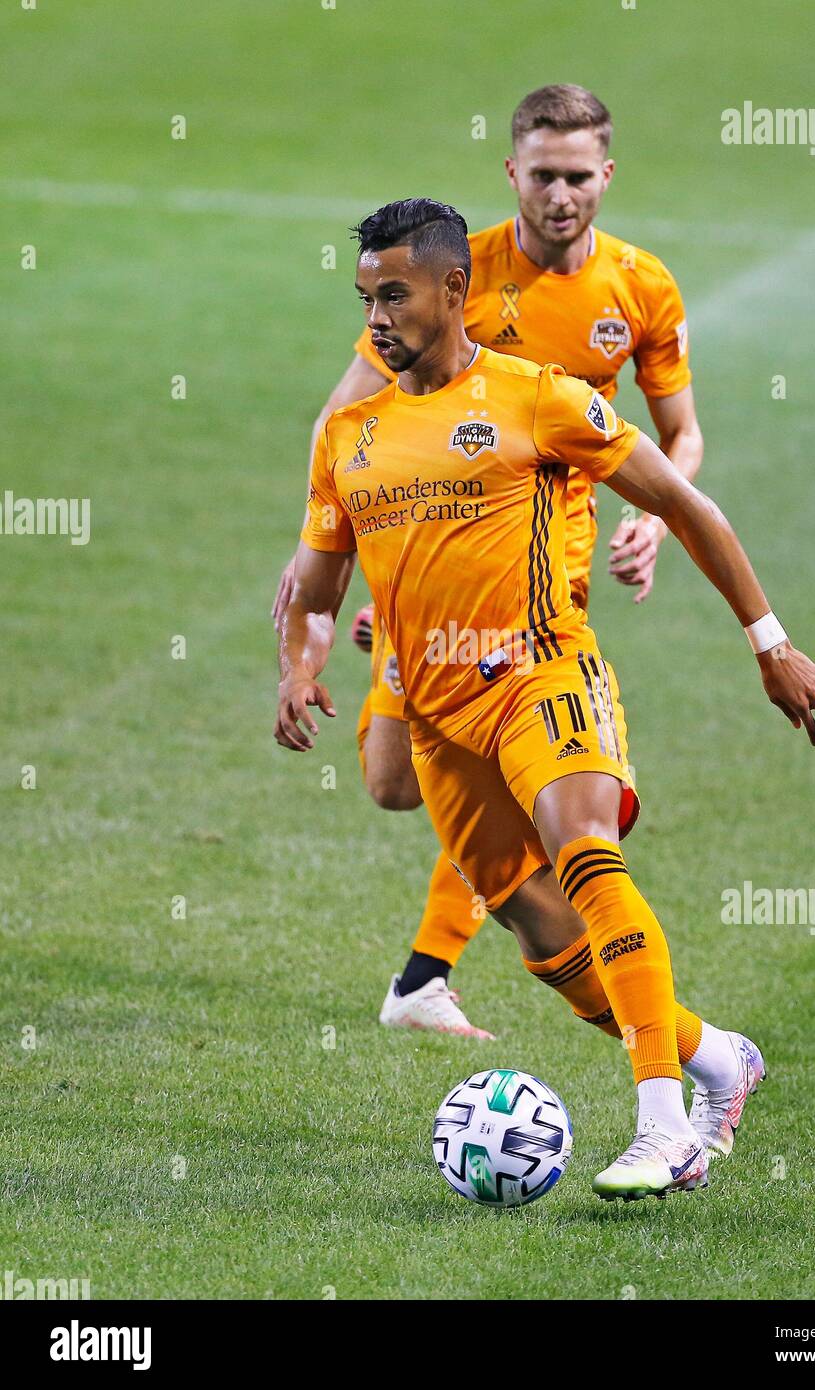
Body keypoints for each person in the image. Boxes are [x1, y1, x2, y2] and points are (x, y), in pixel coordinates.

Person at [273, 198, 815, 1198]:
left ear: (457, 290)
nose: (376, 317)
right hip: (443, 721)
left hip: (544, 671)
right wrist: (299, 666)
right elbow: (315, 590)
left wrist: (771, 642)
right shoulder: (349, 437)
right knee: (542, 933)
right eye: (364, 297)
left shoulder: (540, 398)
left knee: (585, 852)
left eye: (394, 294)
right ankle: (714, 1054)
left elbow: (683, 502)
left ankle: (664, 1124)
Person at [273, 85, 705, 1041]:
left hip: (548, 567)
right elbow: (347, 415)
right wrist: (342, 544)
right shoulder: (450, 272)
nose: (561, 196)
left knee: (527, 777)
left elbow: (679, 439)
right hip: (428, 558)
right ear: (513, 172)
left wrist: (659, 524)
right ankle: (493, 959)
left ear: (607, 176)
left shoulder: (640, 289)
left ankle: (438, 976)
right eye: (543, 176)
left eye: (578, 177)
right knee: (391, 781)